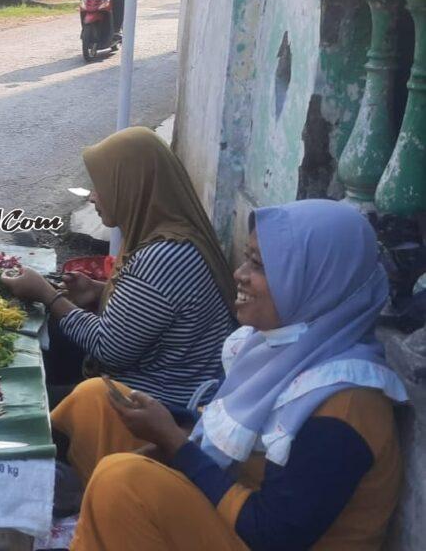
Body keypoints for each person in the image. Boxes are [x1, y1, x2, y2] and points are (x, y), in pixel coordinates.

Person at [52, 199, 409, 551]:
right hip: (234, 511)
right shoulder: (277, 348)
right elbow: (223, 440)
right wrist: (171, 443)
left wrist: (174, 444)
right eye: (247, 258)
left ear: (315, 282)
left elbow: (272, 534)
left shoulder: (345, 406)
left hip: (261, 536)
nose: (240, 274)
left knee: (123, 482)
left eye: (259, 265)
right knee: (96, 400)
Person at [1, 127, 237, 409]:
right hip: (155, 379)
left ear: (131, 187)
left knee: (15, 402)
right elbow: (155, 308)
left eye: (101, 187)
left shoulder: (164, 256)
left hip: (160, 404)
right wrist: (98, 290)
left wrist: (49, 296)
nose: (92, 198)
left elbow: (110, 348)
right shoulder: (171, 235)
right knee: (51, 340)